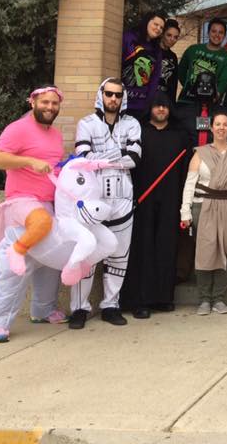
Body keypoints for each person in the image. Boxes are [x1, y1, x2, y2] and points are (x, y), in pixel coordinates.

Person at [0, 86, 66, 343]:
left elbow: (51, 168)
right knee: (17, 263)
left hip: (48, 201)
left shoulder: (56, 135)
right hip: (22, 201)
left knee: (52, 255)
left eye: (54, 103)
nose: (50, 107)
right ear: (33, 103)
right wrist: (28, 161)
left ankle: (43, 309)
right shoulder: (18, 129)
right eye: (45, 102)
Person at [69, 78, 142, 329]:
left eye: (118, 95)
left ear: (123, 98)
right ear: (101, 95)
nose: (113, 99)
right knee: (87, 254)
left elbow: (134, 158)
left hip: (123, 199)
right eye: (109, 94)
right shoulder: (86, 123)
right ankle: (79, 308)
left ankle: (111, 305)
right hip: (93, 199)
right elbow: (82, 158)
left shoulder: (132, 124)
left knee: (119, 256)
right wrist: (118, 155)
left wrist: (99, 158)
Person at [120, 91, 190, 318]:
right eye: (157, 105)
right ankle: (140, 300)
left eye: (165, 105)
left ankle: (163, 297)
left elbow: (186, 171)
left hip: (171, 199)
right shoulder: (139, 133)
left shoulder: (180, 136)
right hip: (143, 198)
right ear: (150, 108)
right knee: (143, 247)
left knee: (166, 247)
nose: (161, 109)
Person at [180, 111, 227, 315]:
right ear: (211, 128)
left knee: (226, 251)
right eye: (217, 124)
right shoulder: (200, 153)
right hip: (203, 206)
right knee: (206, 252)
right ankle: (204, 299)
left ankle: (219, 298)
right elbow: (190, 184)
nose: (221, 128)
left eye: (225, 124)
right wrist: (185, 211)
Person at [177, 18, 227, 105]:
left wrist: (214, 96)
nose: (217, 35)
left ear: (224, 35)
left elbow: (224, 82)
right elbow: (181, 70)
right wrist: (188, 87)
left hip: (210, 103)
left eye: (221, 32)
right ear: (208, 32)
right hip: (187, 100)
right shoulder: (193, 50)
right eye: (213, 31)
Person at [121, 11, 166, 119]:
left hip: (140, 106)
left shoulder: (157, 50)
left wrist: (148, 103)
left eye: (161, 27)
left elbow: (155, 78)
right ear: (147, 21)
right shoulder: (128, 37)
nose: (158, 29)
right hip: (121, 102)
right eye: (156, 24)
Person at [157, 19, 181, 98]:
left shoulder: (173, 57)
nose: (172, 39)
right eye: (169, 35)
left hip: (165, 99)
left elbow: (173, 84)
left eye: (175, 37)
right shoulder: (151, 50)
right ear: (162, 34)